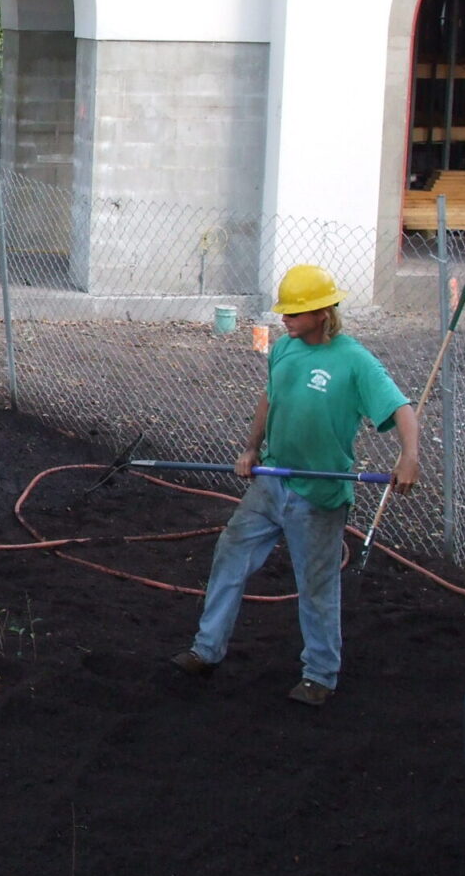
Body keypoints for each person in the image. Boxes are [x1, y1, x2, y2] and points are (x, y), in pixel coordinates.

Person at [170, 264, 418, 706]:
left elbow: (401, 408)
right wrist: (250, 449)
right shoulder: (284, 349)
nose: (284, 318)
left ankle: (320, 675)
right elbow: (269, 398)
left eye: (295, 312)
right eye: (284, 312)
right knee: (230, 554)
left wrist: (409, 457)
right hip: (272, 479)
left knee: (317, 585)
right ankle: (205, 650)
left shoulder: (354, 360)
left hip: (319, 493)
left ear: (323, 312)